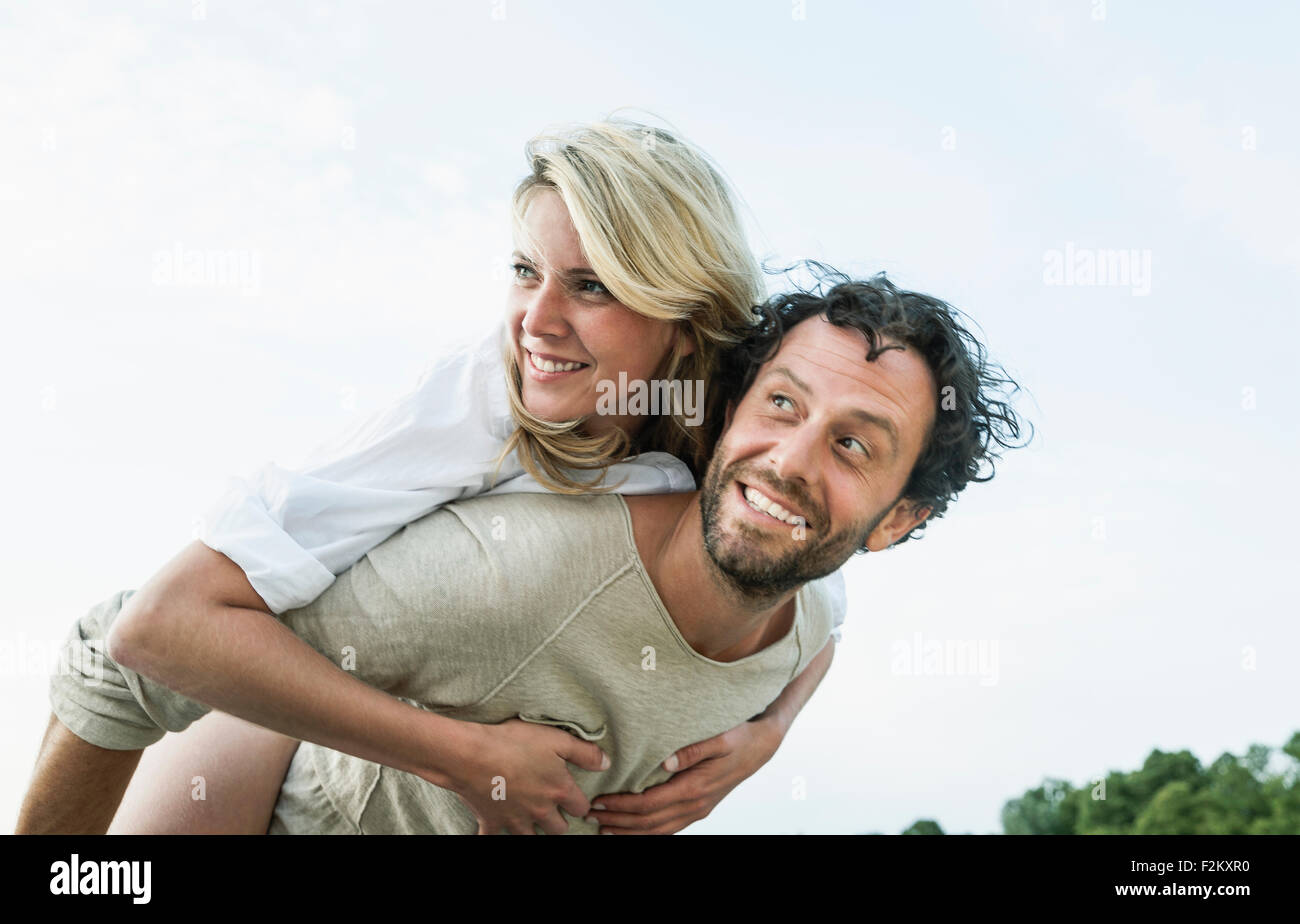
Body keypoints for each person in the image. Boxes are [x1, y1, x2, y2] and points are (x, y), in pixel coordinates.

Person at [35, 115, 848, 835]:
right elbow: (150, 632)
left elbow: (826, 604)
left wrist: (767, 735)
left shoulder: (739, 440)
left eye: (591, 285)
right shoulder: (483, 398)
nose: (536, 319)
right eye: (526, 270)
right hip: (260, 741)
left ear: (688, 319)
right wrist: (462, 756)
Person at [19, 269, 1029, 834]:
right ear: (723, 417)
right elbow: (128, 649)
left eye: (853, 444)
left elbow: (816, 629)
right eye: (780, 404)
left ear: (896, 522)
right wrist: (460, 754)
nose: (790, 459)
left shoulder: (804, 617)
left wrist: (771, 735)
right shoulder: (511, 570)